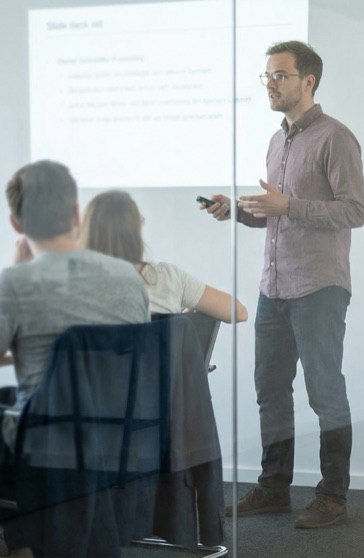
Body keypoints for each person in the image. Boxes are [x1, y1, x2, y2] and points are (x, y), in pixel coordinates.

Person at [202, 40, 364, 529]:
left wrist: (288, 206)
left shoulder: (336, 138)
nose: (270, 84)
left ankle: (333, 496)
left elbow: (354, 211)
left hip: (319, 287)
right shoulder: (279, 141)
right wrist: (237, 210)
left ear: (308, 81)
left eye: (279, 75)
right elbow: (279, 217)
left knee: (325, 395)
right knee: (270, 392)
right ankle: (274, 488)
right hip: (273, 288)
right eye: (267, 76)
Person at [0, 160, 150, 557]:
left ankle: (20, 546)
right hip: (119, 440)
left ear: (16, 223)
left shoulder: (14, 283)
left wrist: (17, 271)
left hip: (47, 449)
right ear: (75, 214)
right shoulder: (127, 277)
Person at [79, 190, 248, 323]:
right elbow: (239, 312)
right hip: (156, 368)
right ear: (136, 231)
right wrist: (191, 307)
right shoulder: (168, 278)